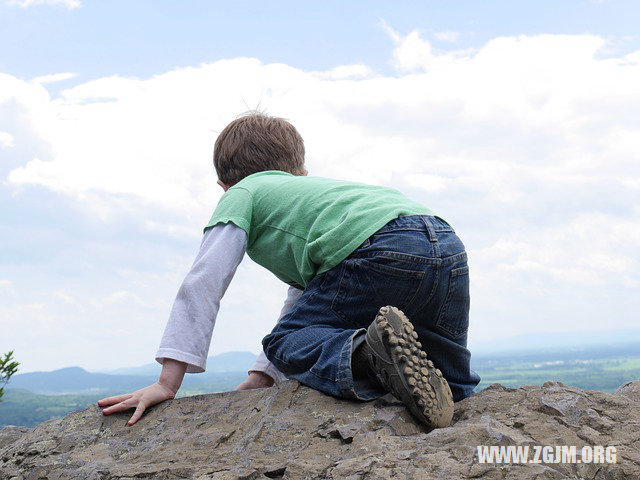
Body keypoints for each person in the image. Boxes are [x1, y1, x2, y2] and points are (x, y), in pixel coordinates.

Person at [98, 113, 480, 428]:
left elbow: (204, 282)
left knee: (282, 343)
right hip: (443, 242)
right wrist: (262, 377)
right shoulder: (318, 195)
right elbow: (305, 298)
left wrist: (168, 383)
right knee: (452, 380)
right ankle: (452, 395)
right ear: (299, 171)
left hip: (375, 247)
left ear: (223, 185)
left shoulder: (242, 193)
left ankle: (368, 353)